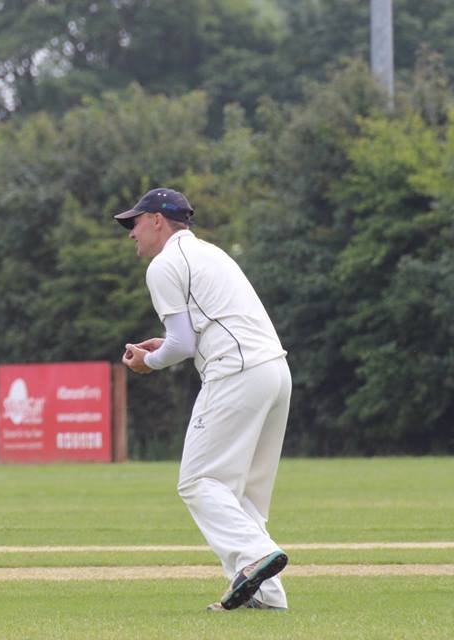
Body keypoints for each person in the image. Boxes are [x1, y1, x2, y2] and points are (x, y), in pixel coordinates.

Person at [116, 187, 292, 611]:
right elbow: (196, 333)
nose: (130, 233)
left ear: (158, 219)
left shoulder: (165, 265)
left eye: (135, 222)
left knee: (197, 482)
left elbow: (180, 345)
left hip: (236, 372)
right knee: (241, 495)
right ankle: (266, 597)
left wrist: (148, 362)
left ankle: (253, 558)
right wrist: (168, 345)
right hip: (275, 372)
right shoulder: (212, 253)